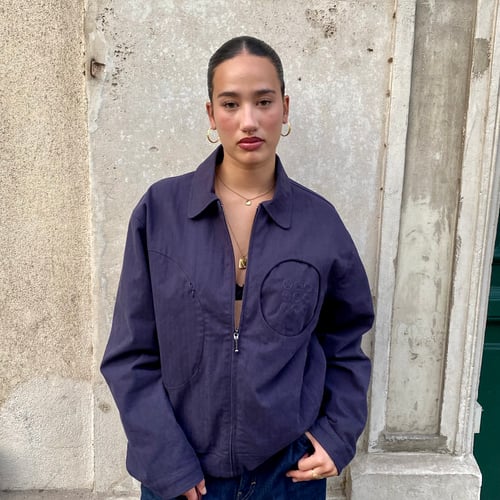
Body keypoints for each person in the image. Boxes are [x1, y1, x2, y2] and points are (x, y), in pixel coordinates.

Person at [101, 35, 374, 500]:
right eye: (231, 104)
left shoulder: (319, 223)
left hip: (288, 474)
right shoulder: (161, 212)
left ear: (284, 108)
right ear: (212, 114)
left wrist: (337, 434)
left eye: (263, 101)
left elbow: (345, 342)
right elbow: (131, 354)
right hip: (181, 476)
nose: (249, 120)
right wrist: (166, 461)